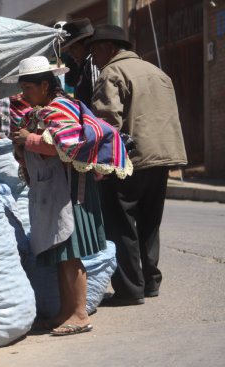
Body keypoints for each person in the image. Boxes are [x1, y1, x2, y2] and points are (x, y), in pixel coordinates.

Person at [3, 56, 109, 336]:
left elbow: (69, 148)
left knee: (71, 253)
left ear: (45, 84)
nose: (24, 94)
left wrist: (29, 140)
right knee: (62, 253)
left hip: (72, 190)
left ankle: (80, 315)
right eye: (22, 88)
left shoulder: (61, 107)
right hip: (55, 189)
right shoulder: (42, 110)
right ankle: (66, 311)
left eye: (28, 88)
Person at [89, 25, 187, 305]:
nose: (94, 57)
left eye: (95, 50)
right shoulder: (158, 72)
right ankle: (151, 283)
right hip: (162, 157)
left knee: (121, 225)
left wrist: (99, 162)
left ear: (110, 48)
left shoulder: (112, 72)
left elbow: (107, 122)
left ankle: (130, 290)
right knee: (149, 223)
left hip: (129, 160)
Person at [59, 18, 99, 107]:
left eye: (74, 48)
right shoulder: (83, 67)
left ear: (87, 44)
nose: (70, 54)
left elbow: (99, 100)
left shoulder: (93, 63)